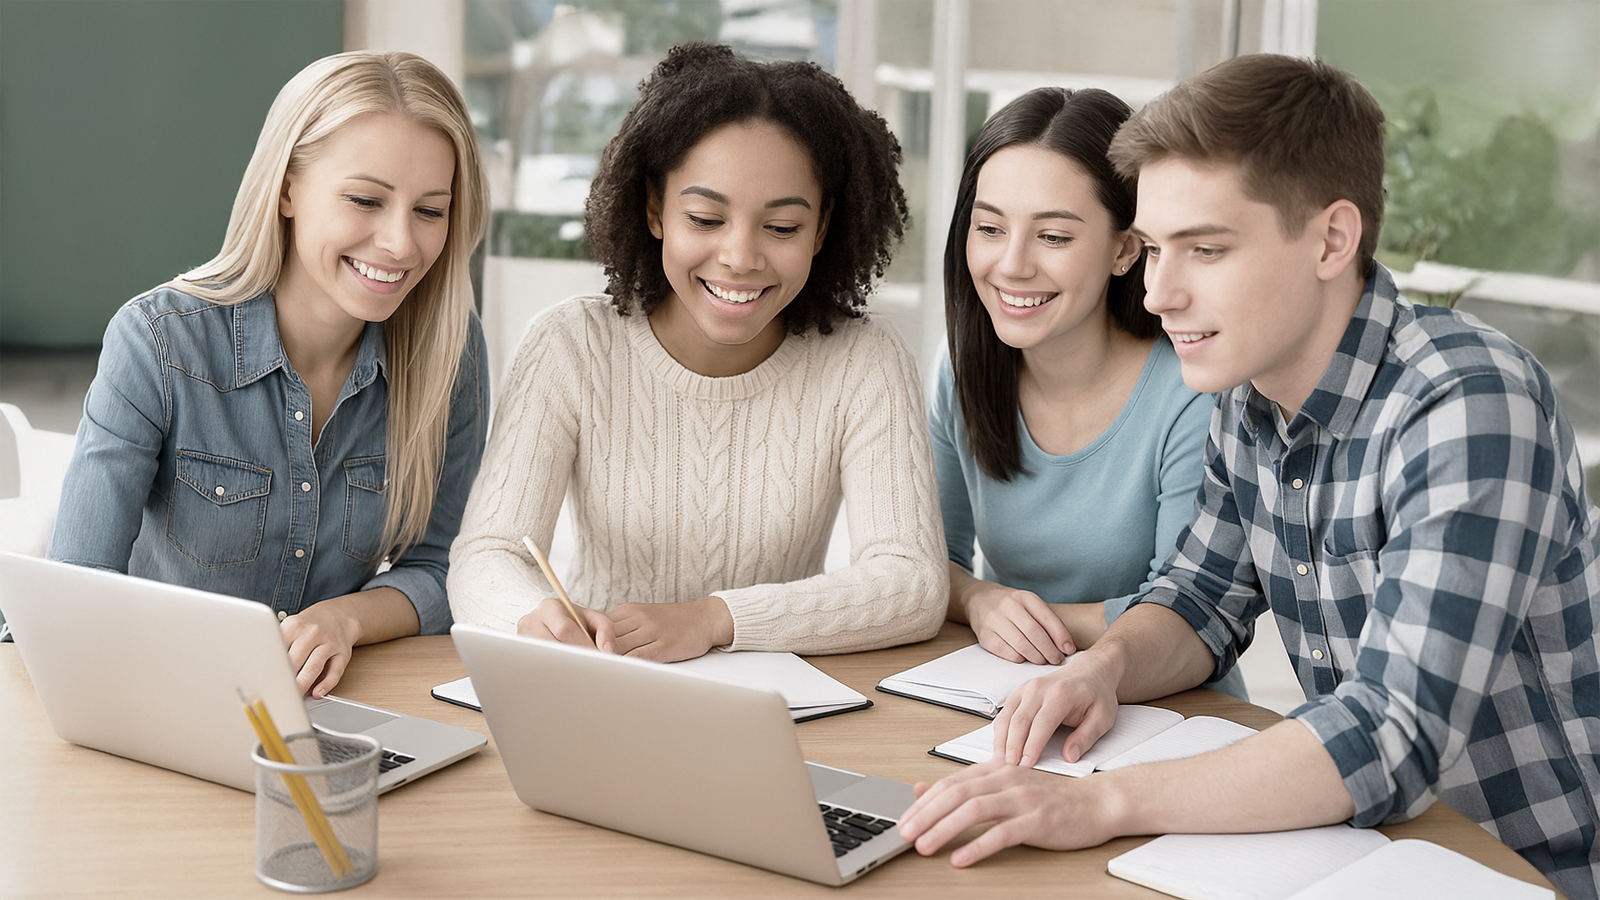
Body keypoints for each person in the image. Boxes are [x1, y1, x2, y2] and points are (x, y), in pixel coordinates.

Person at [897, 53, 1600, 900]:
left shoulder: (1467, 401)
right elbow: (1199, 600)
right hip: (1362, 851)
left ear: (1332, 240)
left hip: (1535, 869)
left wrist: (1101, 802)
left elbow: (1391, 731)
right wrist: (1104, 669)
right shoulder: (1250, 391)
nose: (1158, 293)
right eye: (1154, 249)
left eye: (1206, 249)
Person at [448, 42, 945, 659]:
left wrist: (714, 620)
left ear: (821, 229)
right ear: (656, 209)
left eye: (782, 227)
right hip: (599, 680)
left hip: (776, 703)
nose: (740, 257)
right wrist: (535, 615)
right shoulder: (570, 346)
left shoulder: (865, 360)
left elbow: (913, 583)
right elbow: (484, 556)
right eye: (706, 219)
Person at [49, 51, 490, 698]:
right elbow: (74, 598)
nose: (400, 243)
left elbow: (445, 568)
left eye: (430, 210)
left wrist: (344, 619)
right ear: (287, 188)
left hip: (332, 706)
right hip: (162, 701)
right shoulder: (158, 344)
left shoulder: (449, 351)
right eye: (366, 199)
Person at [931, 86, 1244, 699]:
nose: (1012, 264)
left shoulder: (1191, 391)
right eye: (990, 228)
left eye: (1053, 237)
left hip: (1167, 708)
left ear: (1125, 249)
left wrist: (1014, 618)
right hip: (1003, 690)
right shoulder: (963, 369)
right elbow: (922, 562)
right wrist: (982, 599)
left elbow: (1185, 604)